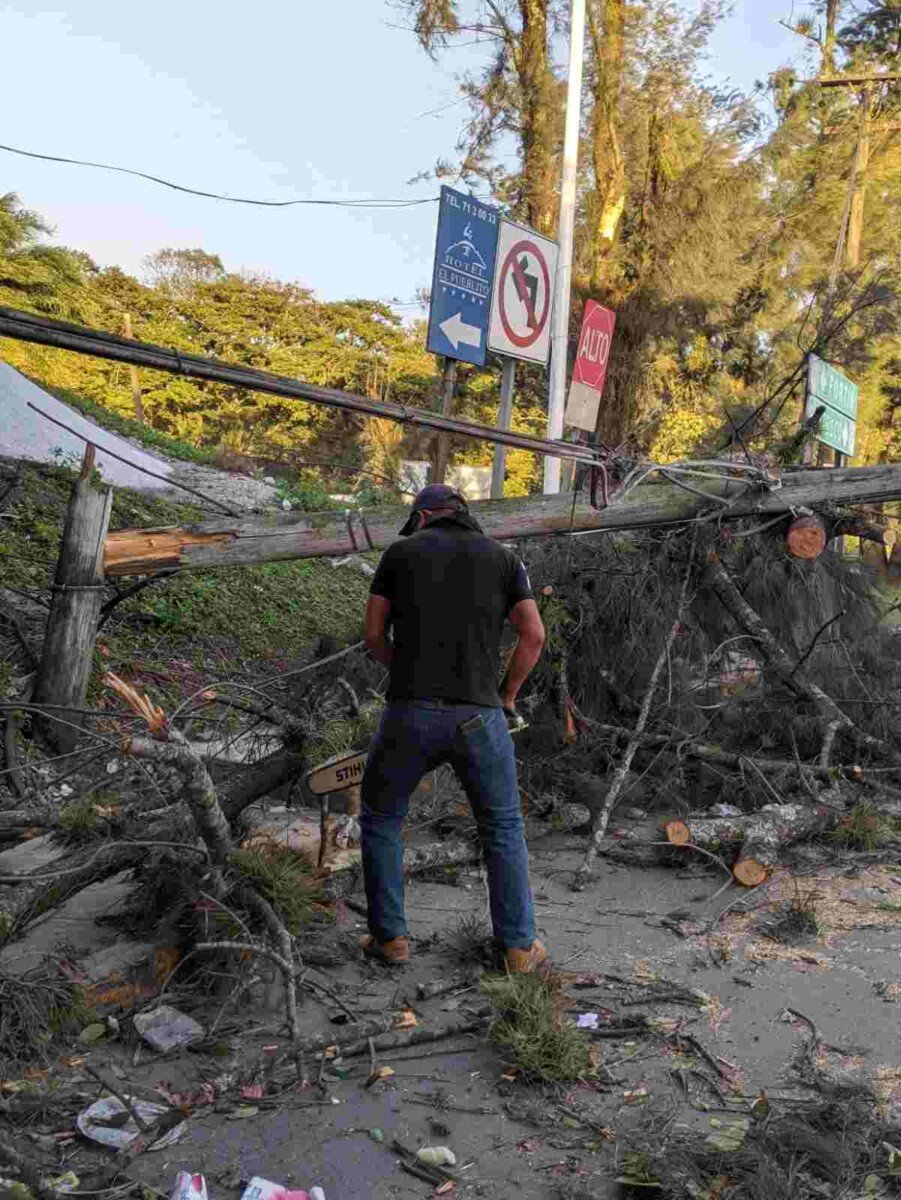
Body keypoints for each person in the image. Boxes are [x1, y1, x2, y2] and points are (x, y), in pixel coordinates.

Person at [359, 483, 547, 972]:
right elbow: (534, 634)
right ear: (465, 515)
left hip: (410, 712)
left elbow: (374, 635)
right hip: (479, 716)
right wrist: (506, 694)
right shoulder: (504, 559)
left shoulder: (400, 555)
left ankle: (391, 940)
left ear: (421, 518)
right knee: (503, 827)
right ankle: (518, 948)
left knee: (382, 820)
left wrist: (405, 671)